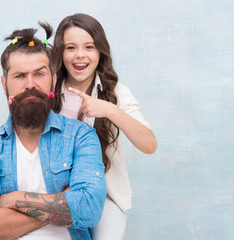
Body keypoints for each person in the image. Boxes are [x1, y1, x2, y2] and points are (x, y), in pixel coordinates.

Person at [0, 22, 106, 240]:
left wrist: (13, 199)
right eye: (19, 76)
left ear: (53, 80)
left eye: (39, 74)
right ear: (4, 84)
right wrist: (62, 202)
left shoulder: (80, 136)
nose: (30, 84)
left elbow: (88, 209)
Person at [52, 13, 158, 240]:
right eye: (71, 47)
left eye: (89, 47)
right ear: (60, 52)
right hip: (55, 194)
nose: (80, 55)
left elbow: (149, 144)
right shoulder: (48, 90)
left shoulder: (117, 92)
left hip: (105, 196)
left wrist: (109, 110)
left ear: (100, 52)